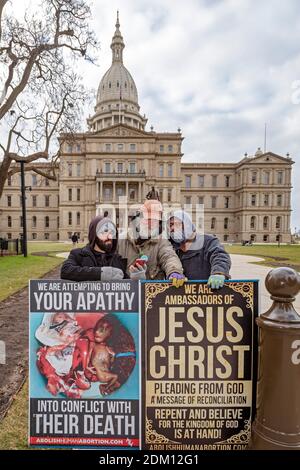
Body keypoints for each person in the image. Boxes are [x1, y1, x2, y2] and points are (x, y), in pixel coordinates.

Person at [117, 199, 185, 287]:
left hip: (152, 296)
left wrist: (174, 271)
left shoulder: (161, 241)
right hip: (125, 295)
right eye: (147, 219)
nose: (150, 224)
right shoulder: (121, 241)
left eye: (155, 221)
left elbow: (169, 256)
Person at [167, 210, 231, 289]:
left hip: (207, 293)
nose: (172, 228)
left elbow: (220, 255)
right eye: (170, 225)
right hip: (180, 297)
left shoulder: (208, 241)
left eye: (177, 224)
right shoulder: (171, 246)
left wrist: (219, 272)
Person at [61, 215, 128, 281]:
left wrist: (135, 279)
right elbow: (65, 270)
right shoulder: (78, 255)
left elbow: (128, 285)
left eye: (112, 233)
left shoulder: (117, 259)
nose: (110, 237)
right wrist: (99, 273)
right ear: (94, 234)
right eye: (105, 232)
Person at [35, 313, 84, 398]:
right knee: (64, 368)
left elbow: (79, 331)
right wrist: (63, 344)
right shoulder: (50, 329)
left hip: (65, 345)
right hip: (60, 345)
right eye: (59, 317)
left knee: (64, 366)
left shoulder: (70, 323)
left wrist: (73, 337)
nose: (62, 318)